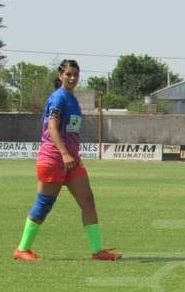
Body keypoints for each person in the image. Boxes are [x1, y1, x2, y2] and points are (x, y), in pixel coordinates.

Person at [13, 59, 121, 261]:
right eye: (68, 74)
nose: (72, 78)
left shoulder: (72, 99)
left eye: (75, 75)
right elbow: (52, 127)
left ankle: (98, 251)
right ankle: (22, 249)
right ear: (60, 75)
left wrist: (71, 155)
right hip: (54, 158)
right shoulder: (58, 98)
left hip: (72, 161)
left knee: (88, 201)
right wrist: (64, 153)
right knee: (44, 203)